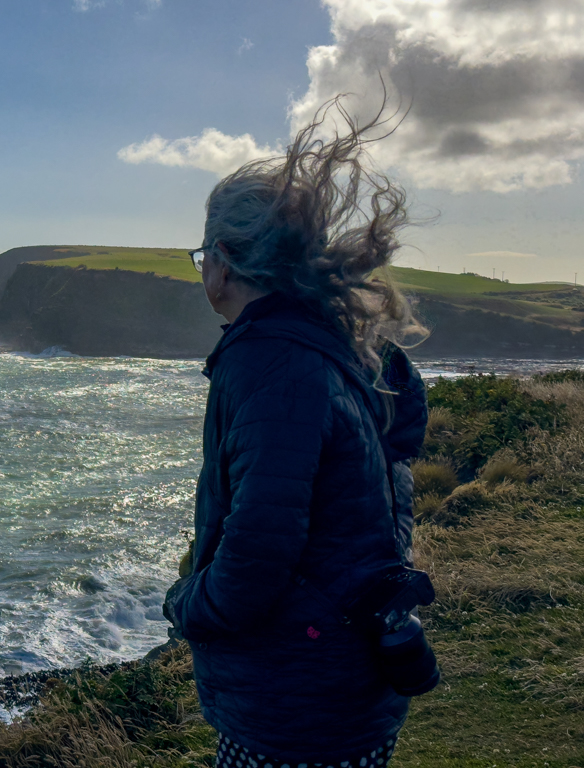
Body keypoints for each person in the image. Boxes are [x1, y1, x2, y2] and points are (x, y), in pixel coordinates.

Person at [162, 100, 432, 768]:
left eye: (203, 254)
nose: (203, 269)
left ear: (222, 261)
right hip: (341, 677)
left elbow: (259, 549)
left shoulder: (269, 362)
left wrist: (187, 604)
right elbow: (399, 443)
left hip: (296, 701)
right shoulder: (334, 344)